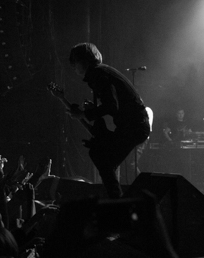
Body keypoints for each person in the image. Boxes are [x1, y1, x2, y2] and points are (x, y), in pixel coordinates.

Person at [50, 42, 151, 198]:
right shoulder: (101, 72)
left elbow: (112, 106)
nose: (73, 67)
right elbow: (113, 104)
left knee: (101, 157)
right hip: (132, 125)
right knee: (101, 155)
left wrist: (85, 114)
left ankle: (116, 200)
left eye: (75, 62)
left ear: (83, 61)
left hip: (134, 126)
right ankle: (115, 198)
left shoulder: (98, 74)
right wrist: (90, 111)